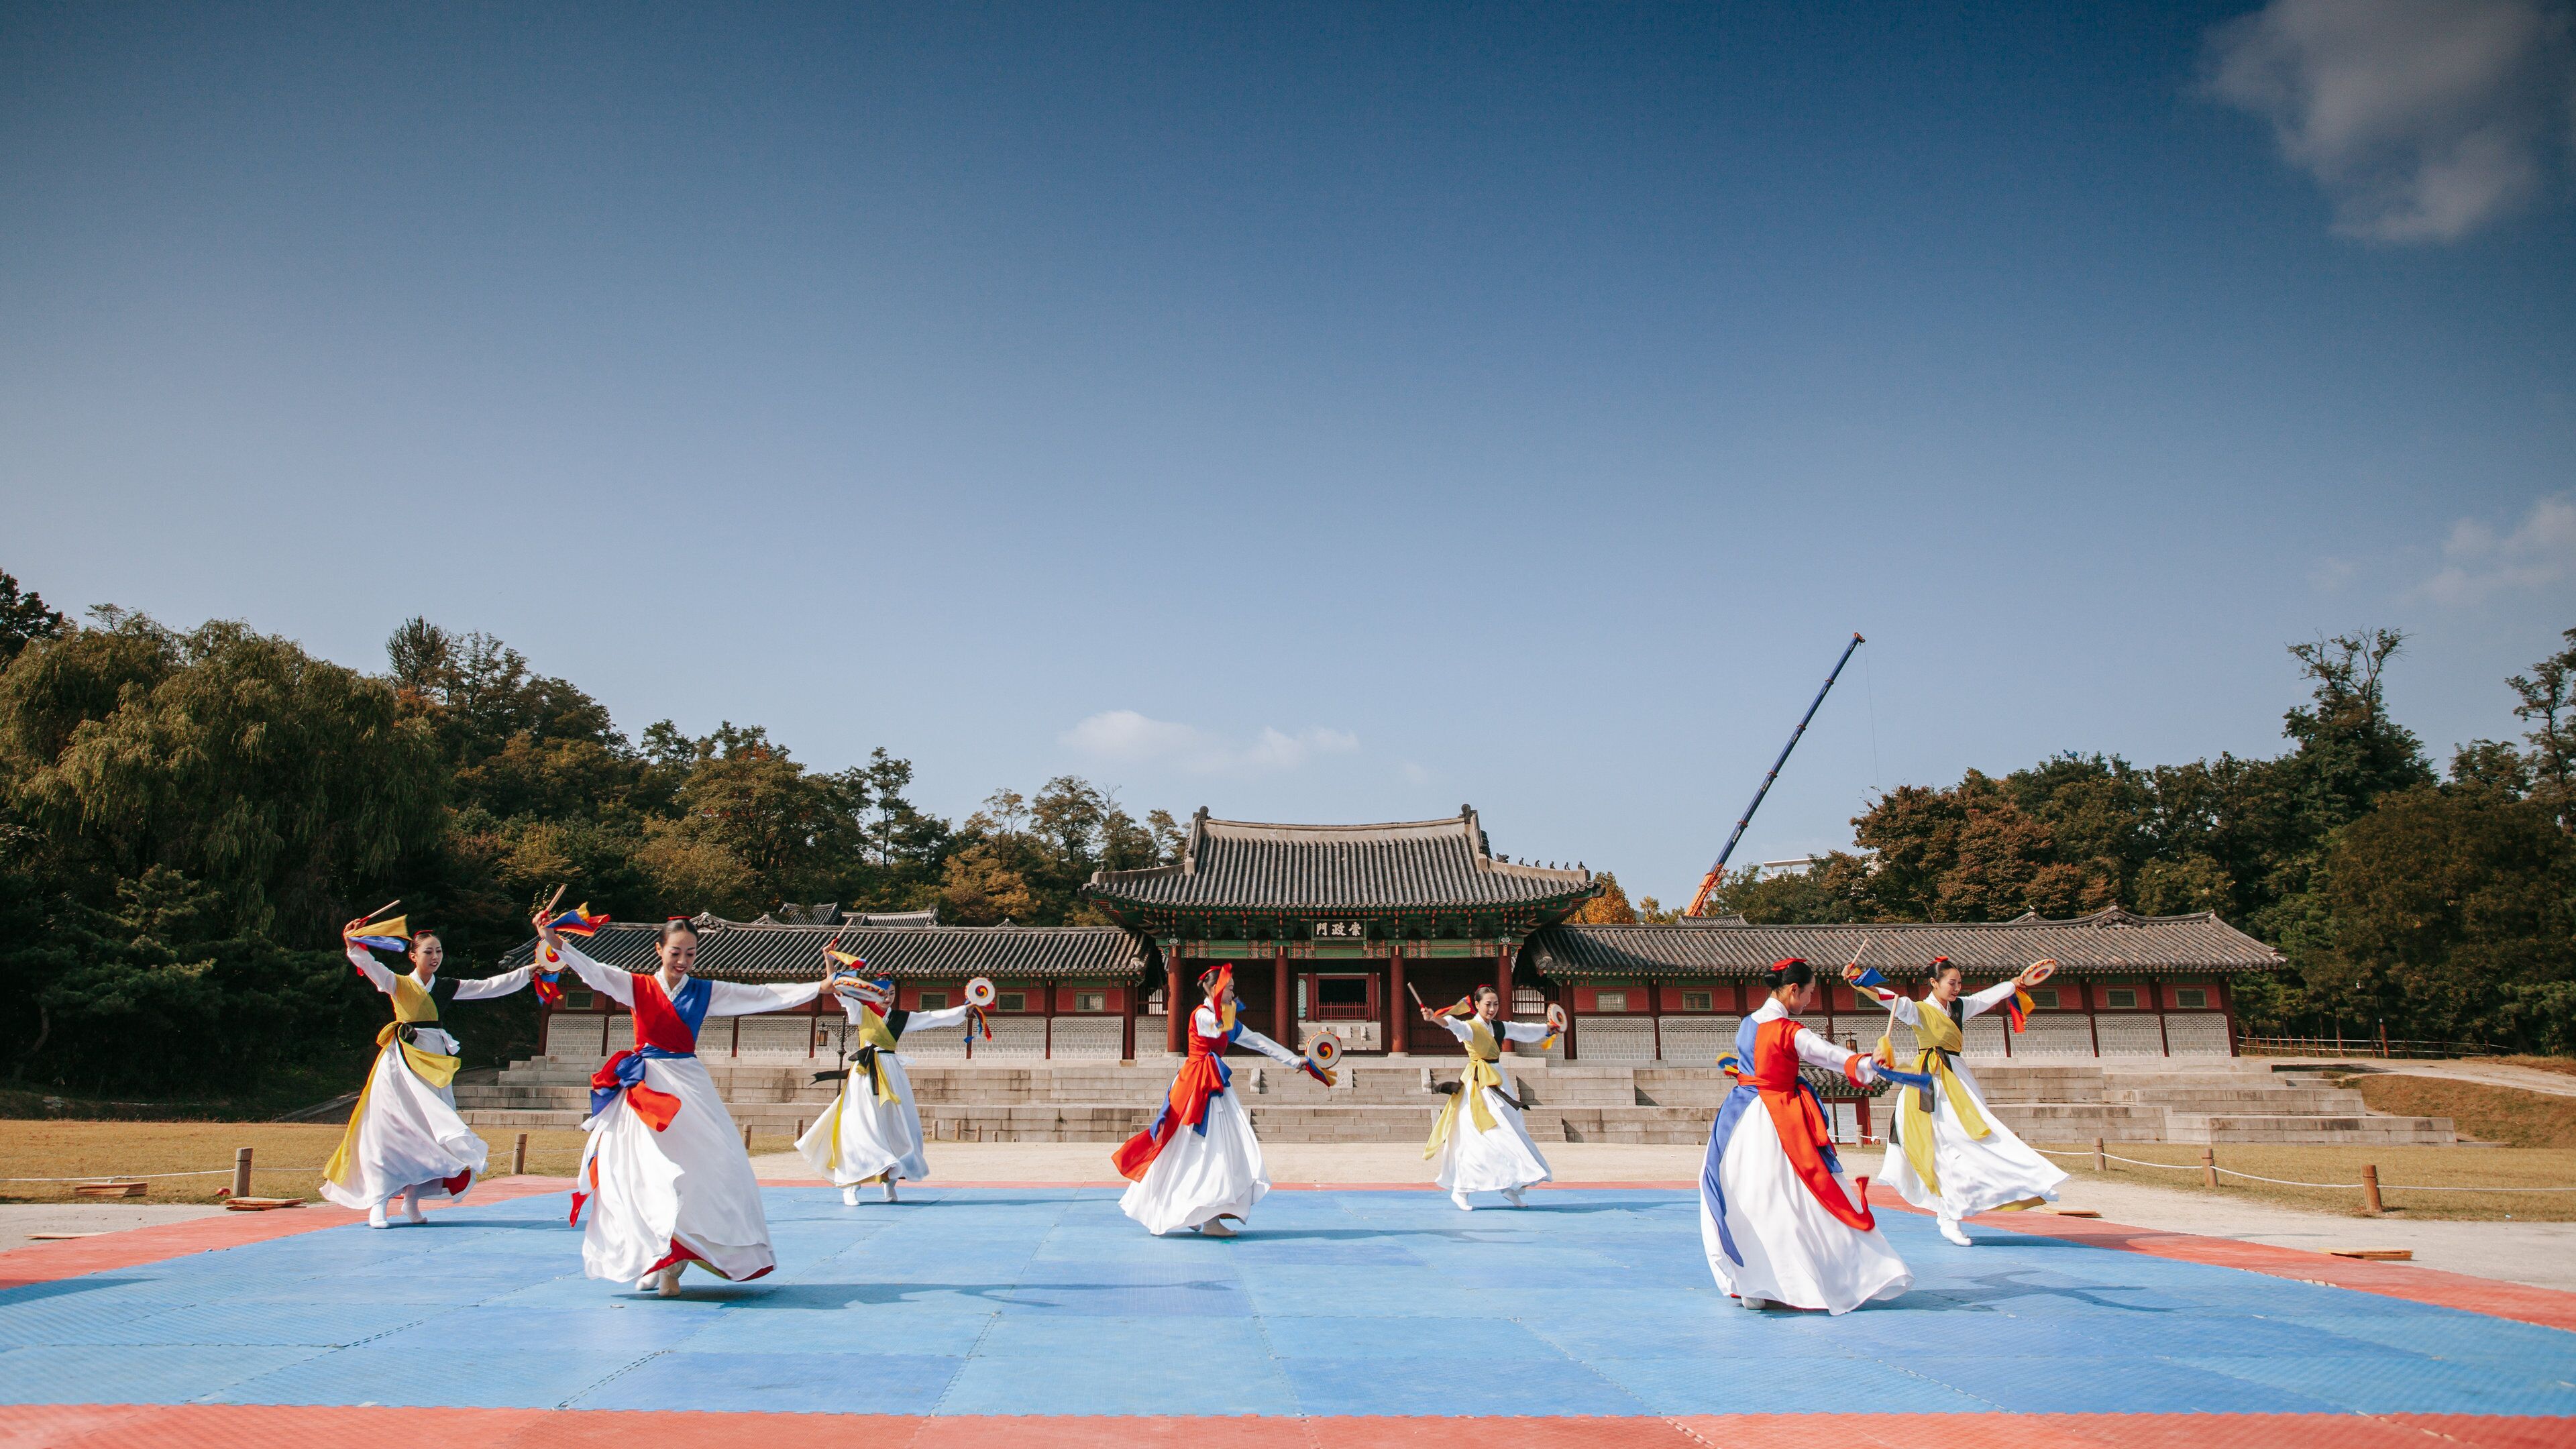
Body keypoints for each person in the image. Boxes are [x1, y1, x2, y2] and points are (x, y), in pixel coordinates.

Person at [535, 910, 831, 1296]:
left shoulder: (706, 991)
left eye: (690, 954)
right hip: (645, 1088)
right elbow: (595, 972)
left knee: (712, 1165)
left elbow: (761, 995)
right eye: (676, 952)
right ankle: (652, 1257)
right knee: (640, 1172)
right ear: (659, 950)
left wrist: (817, 987)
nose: (682, 961)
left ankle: (675, 1265)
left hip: (689, 1086)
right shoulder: (636, 986)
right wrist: (557, 943)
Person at [1700, 957, 1911, 1315]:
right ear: (1793, 990)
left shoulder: (1747, 1023)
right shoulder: (1790, 1031)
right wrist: (1869, 1063)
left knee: (1743, 1198)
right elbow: (1829, 1056)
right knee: (1793, 1202)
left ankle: (1750, 1282)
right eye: (1810, 993)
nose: (1812, 1000)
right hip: (1778, 1119)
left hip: (1739, 1118)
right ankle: (1809, 1279)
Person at [322, 923, 538, 1228]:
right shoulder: (396, 983)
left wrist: (528, 971)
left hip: (434, 1062)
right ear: (413, 956)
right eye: (428, 951)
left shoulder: (447, 986)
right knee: (389, 1129)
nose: (435, 956)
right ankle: (378, 1202)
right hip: (401, 1063)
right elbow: (368, 963)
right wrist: (352, 943)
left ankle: (412, 1201)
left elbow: (489, 987)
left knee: (432, 1131)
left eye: (438, 951)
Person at [1849, 955, 2068, 1245]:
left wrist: (2012, 985)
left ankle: (2016, 1181)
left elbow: (1984, 998)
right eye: (1952, 983)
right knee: (1939, 1149)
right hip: (1927, 1083)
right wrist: (1859, 979)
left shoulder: (1960, 1008)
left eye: (1959, 983)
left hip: (1957, 1078)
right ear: (1933, 983)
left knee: (1975, 1141)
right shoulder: (1917, 1010)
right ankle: (1949, 1215)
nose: (1957, 988)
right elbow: (1888, 998)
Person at [1113, 963, 1328, 1236]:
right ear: (1215, 989)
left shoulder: (1224, 1017)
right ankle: (1205, 1216)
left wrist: (1295, 1060)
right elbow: (1217, 1029)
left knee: (1204, 1149)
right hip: (1197, 1087)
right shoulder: (1203, 1015)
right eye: (1229, 989)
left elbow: (1257, 1040)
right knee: (1205, 1149)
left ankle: (1193, 1210)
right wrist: (1228, 1011)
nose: (1234, 994)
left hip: (1212, 1085)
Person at [794, 955, 979, 1205]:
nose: (887, 997)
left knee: (896, 1127)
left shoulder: (901, 1018)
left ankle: (890, 1182)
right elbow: (836, 987)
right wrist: (828, 960)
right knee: (860, 1124)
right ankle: (851, 1185)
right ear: (871, 994)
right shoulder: (860, 1011)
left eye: (891, 993)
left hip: (892, 1075)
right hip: (865, 1074)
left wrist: (963, 1010)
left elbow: (933, 1017)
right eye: (882, 993)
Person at [1420, 983, 1554, 1210]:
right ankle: (1462, 1189)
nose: (1492, 1009)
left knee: (1514, 1130)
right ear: (1478, 1005)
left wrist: (1549, 1028)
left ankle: (1511, 1187)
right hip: (1476, 1086)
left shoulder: (1500, 1027)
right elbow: (1453, 1025)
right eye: (1488, 1004)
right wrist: (1435, 1018)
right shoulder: (1471, 1028)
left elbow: (1523, 1030)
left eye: (1496, 1004)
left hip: (1498, 1081)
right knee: (1476, 1139)